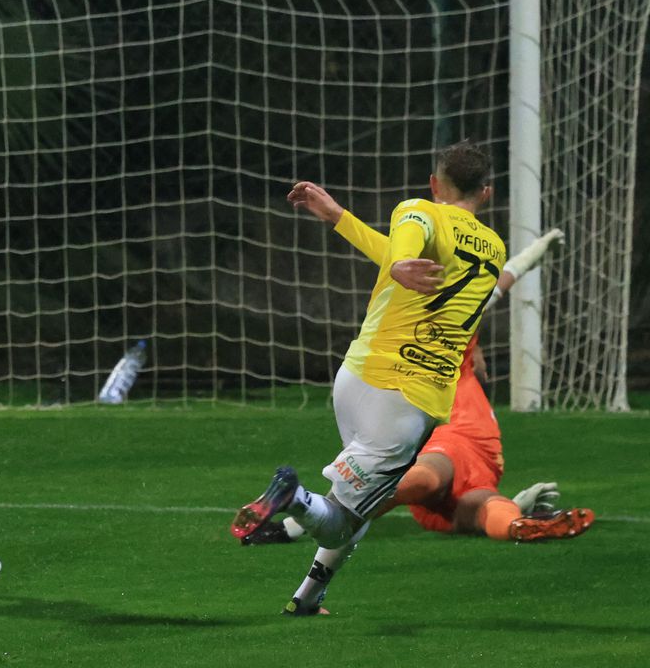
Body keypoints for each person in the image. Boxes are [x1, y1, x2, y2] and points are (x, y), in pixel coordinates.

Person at [231, 140, 506, 616]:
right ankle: (294, 498)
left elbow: (404, 243)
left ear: (434, 183)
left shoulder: (418, 210)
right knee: (340, 518)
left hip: (357, 376)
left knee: (360, 502)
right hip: (405, 401)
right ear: (487, 192)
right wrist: (398, 261)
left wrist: (341, 218)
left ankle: (308, 598)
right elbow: (407, 245)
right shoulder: (495, 249)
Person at [243, 181, 592, 546]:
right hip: (476, 440)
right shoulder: (470, 294)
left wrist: (339, 218)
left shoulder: (427, 292)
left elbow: (401, 256)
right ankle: (516, 522)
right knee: (475, 503)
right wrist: (537, 250)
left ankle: (298, 517)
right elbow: (503, 279)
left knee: (429, 486)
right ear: (485, 193)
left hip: (441, 422)